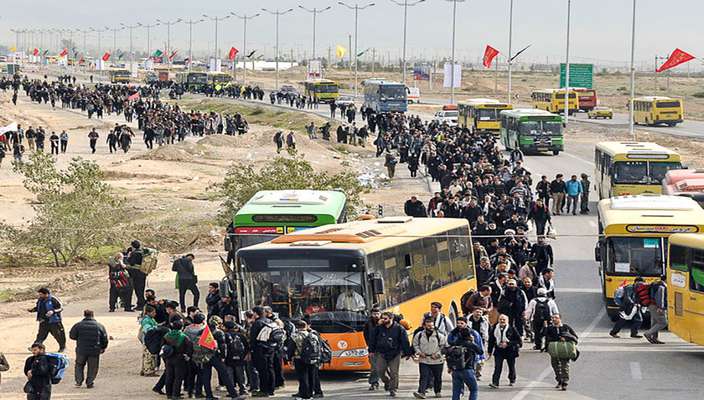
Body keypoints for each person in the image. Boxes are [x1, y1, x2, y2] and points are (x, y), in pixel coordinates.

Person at [368, 311, 412, 397]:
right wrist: (371, 351)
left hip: (395, 354)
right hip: (382, 353)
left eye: (385, 319)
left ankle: (393, 389)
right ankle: (387, 382)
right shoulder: (378, 328)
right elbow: (372, 340)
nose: (383, 320)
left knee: (394, 372)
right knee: (380, 371)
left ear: (391, 319)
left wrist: (408, 353)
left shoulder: (399, 328)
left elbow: (405, 342)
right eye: (382, 318)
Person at [69, 310, 109, 388]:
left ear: (84, 315)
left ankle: (78, 381)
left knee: (79, 365)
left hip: (81, 349)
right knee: (93, 367)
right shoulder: (99, 326)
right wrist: (103, 347)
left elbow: (72, 336)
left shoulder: (78, 325)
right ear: (93, 315)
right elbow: (104, 338)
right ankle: (90, 382)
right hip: (94, 350)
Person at [445, 318, 483, 400]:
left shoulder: (455, 343)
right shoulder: (470, 344)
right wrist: (473, 342)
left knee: (456, 391)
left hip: (456, 370)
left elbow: (449, 341)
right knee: (474, 389)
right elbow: (480, 351)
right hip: (468, 370)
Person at [412, 317, 447, 399]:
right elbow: (415, 345)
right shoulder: (419, 335)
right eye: (428, 326)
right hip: (424, 360)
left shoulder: (440, 336)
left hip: (437, 360)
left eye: (432, 326)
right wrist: (419, 352)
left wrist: (437, 354)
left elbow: (444, 347)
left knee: (437, 377)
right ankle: (421, 392)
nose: (430, 328)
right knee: (424, 376)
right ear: (424, 326)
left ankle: (437, 391)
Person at [543, 314, 578, 390]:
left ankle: (565, 382)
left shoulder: (566, 327)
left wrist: (566, 338)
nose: (554, 319)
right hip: (554, 350)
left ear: (560, 319)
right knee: (555, 366)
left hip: (564, 350)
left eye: (556, 318)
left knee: (564, 366)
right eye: (553, 318)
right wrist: (545, 327)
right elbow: (543, 335)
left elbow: (575, 337)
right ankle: (559, 380)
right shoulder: (550, 328)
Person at [288, 319, 319, 400]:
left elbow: (290, 349)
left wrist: (289, 358)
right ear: (305, 326)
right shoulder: (313, 335)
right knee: (311, 376)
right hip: (312, 358)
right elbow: (318, 347)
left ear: (297, 327)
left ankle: (304, 395)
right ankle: (310, 394)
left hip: (299, 359)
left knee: (303, 377)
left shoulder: (294, 336)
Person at [487, 314, 521, 389]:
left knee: (511, 366)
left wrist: (508, 344)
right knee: (497, 367)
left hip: (510, 350)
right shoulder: (495, 329)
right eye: (500, 319)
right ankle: (495, 382)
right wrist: (489, 351)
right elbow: (491, 340)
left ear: (507, 321)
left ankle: (512, 379)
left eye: (504, 320)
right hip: (499, 350)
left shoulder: (512, 329)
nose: (502, 321)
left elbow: (518, 341)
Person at [250, 306, 276, 397]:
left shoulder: (257, 323)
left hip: (260, 349)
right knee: (270, 368)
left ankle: (264, 390)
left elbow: (252, 339)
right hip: (271, 348)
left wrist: (251, 350)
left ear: (256, 314)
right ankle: (271, 389)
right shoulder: (270, 321)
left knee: (262, 370)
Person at [29, 288, 66, 353]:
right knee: (40, 336)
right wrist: (32, 310)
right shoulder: (40, 300)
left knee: (58, 335)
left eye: (41, 294)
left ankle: (62, 347)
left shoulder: (53, 299)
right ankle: (35, 347)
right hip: (43, 321)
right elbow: (38, 308)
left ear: (46, 294)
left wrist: (53, 311)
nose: (40, 296)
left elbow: (61, 308)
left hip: (54, 321)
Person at [644, 276, 668, 344]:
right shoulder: (662, 287)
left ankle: (654, 338)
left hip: (651, 305)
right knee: (663, 322)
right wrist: (660, 307)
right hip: (656, 306)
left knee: (655, 322)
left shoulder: (656, 284)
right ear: (666, 279)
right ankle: (648, 333)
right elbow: (660, 298)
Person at [363, 307, 381, 391]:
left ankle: (389, 383)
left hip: (385, 348)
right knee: (374, 367)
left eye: (377, 314)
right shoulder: (368, 323)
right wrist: (369, 345)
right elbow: (366, 335)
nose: (376, 316)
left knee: (385, 367)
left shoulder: (385, 321)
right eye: (374, 314)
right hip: (373, 348)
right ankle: (374, 383)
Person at [126, 240, 148, 310]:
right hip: (143, 273)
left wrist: (128, 257)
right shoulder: (142, 252)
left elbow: (132, 263)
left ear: (133, 246)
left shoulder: (135, 253)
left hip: (136, 274)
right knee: (141, 289)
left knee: (138, 290)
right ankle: (141, 303)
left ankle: (141, 305)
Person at [139, 305, 159, 376]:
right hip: (148, 340)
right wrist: (156, 328)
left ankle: (145, 369)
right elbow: (147, 330)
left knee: (148, 355)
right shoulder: (146, 320)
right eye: (153, 312)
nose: (155, 314)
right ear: (148, 313)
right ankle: (148, 371)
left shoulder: (151, 319)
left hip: (151, 340)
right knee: (148, 356)